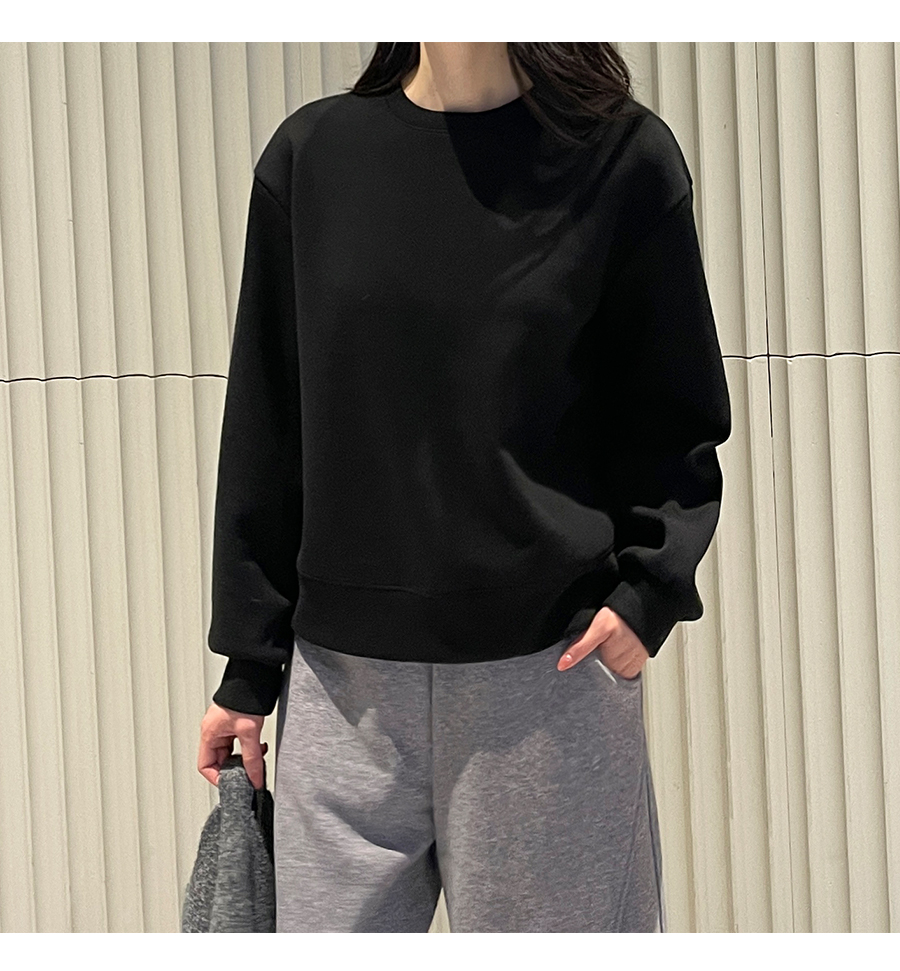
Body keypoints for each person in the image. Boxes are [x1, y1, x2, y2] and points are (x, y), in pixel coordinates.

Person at [197, 41, 731, 933]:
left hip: (548, 683)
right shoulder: (313, 159)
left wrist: (649, 593)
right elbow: (268, 421)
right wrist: (248, 669)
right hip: (343, 696)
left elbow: (674, 407)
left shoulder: (619, 159)